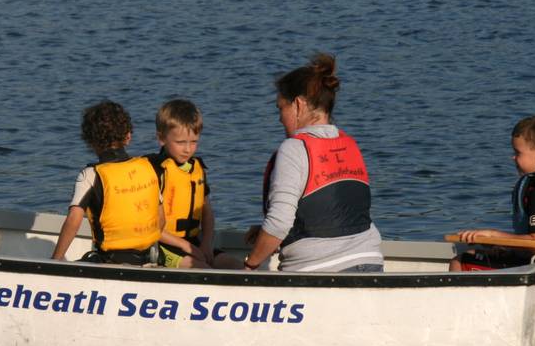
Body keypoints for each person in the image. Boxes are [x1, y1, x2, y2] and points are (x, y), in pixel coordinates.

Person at [243, 52, 384, 273]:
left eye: (280, 108)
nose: (280, 118)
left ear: (298, 105)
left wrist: (250, 264)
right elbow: (331, 213)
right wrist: (264, 234)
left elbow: (279, 224)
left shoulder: (294, 149)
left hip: (319, 269)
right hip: (371, 262)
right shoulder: (350, 145)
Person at [451, 114, 535, 270]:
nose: (513, 157)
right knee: (482, 251)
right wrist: (507, 246)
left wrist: (493, 236)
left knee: (461, 260)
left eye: (518, 153)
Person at [51, 101, 163, 265]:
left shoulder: (90, 175)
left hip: (110, 262)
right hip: (148, 260)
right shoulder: (148, 167)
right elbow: (161, 218)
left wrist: (56, 260)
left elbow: (74, 219)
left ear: (90, 142)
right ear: (128, 137)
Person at [148, 99, 243, 269]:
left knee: (236, 266)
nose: (188, 149)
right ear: (161, 138)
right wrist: (186, 247)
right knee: (203, 270)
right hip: (163, 245)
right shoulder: (155, 171)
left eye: (193, 142)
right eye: (180, 143)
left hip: (194, 241)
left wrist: (206, 243)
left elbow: (207, 213)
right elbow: (153, 227)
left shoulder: (197, 168)